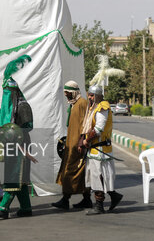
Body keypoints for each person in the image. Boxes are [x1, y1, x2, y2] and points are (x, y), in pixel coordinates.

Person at [0, 55, 37, 218]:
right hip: (9, 144)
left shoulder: (23, 106)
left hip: (21, 144)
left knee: (14, 175)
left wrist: (15, 132)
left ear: (14, 91)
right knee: (20, 177)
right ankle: (25, 208)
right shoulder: (7, 106)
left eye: (8, 91)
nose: (7, 94)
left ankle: (4, 207)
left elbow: (27, 127)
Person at [81, 85, 123, 214]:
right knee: (97, 177)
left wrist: (87, 141)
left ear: (98, 96)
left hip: (100, 149)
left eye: (92, 95)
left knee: (98, 177)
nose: (89, 97)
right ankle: (114, 196)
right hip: (94, 149)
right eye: (89, 94)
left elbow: (98, 129)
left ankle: (99, 205)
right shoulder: (93, 108)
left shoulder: (102, 108)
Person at [52, 80, 92, 210]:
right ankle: (86, 199)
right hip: (71, 145)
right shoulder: (74, 104)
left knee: (70, 173)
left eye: (68, 93)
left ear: (74, 92)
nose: (66, 95)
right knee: (79, 174)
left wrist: (81, 142)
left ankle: (65, 199)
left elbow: (86, 125)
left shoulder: (82, 104)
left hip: (78, 146)